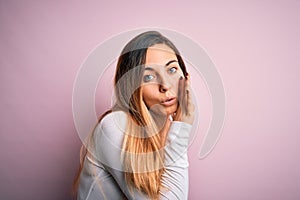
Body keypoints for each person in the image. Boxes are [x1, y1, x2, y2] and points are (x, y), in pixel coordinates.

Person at [73, 31, 195, 200]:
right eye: (149, 76)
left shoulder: (165, 128)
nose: (166, 85)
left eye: (172, 69)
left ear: (186, 78)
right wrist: (182, 128)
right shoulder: (114, 126)